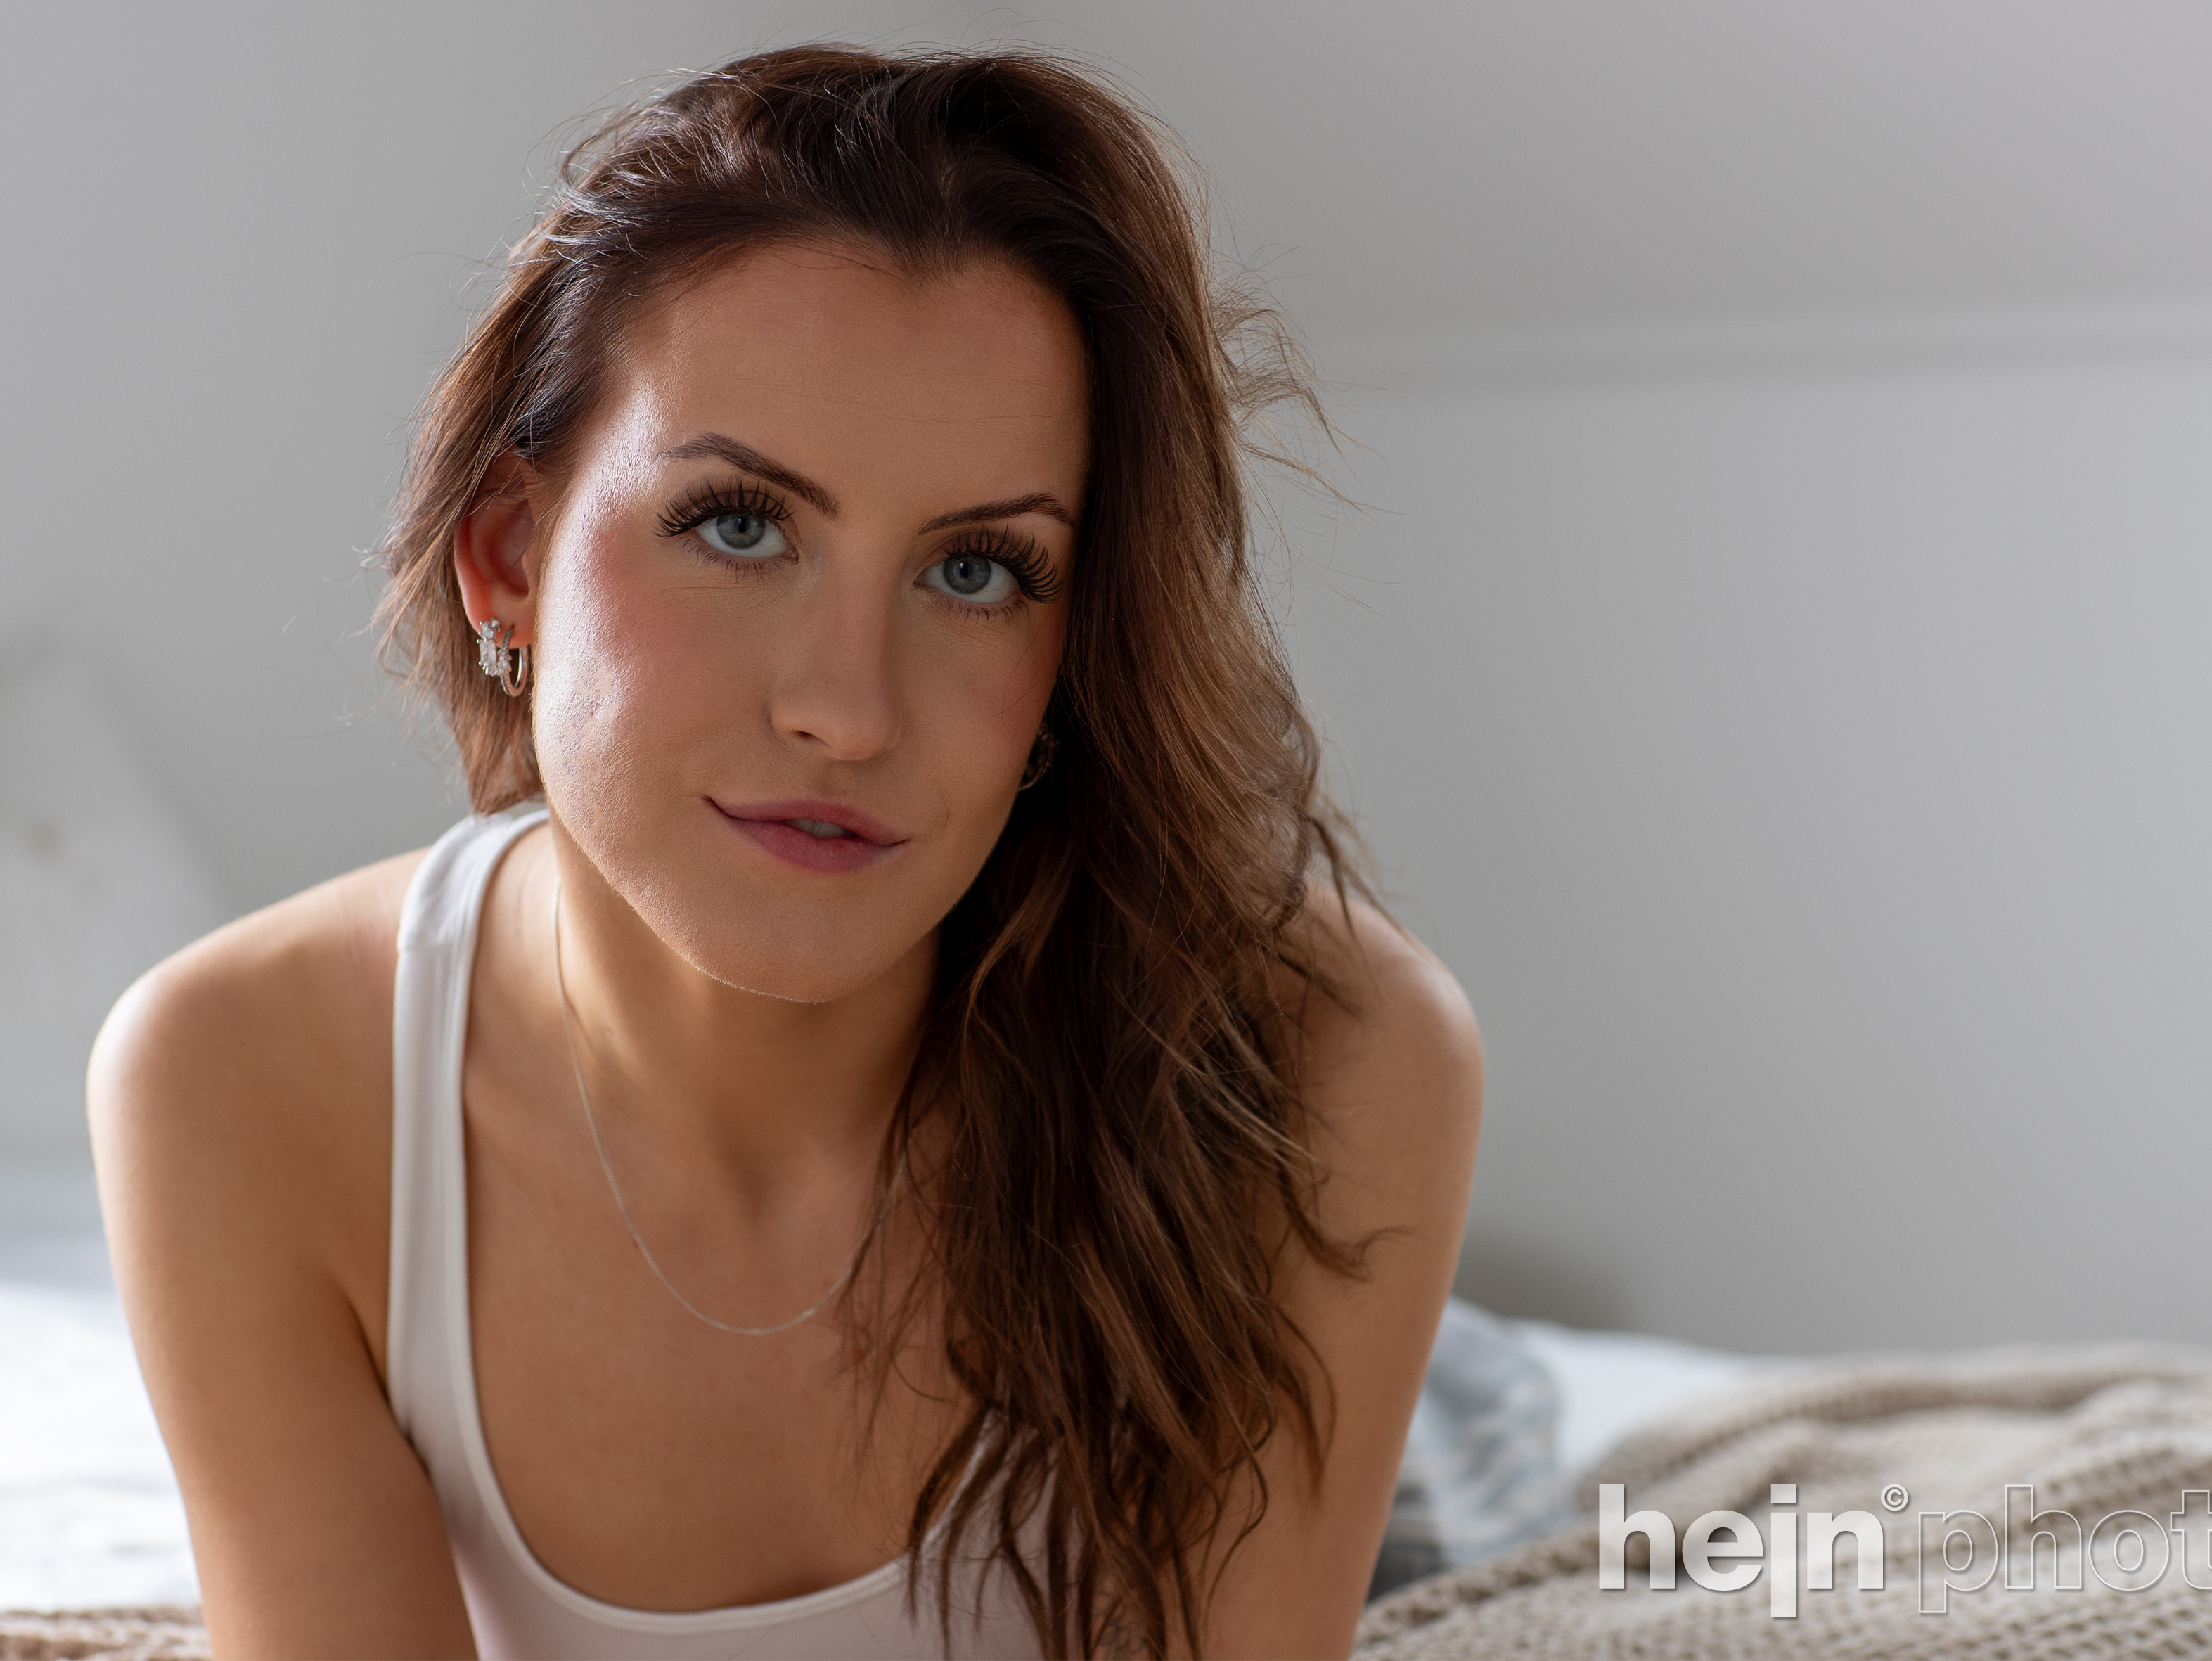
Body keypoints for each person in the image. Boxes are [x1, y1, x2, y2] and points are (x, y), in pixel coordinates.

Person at [89, 44, 1480, 1661]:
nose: (847, 708)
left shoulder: (1320, 1054)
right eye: (740, 525)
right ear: (509, 555)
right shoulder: (244, 1080)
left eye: (978, 568)